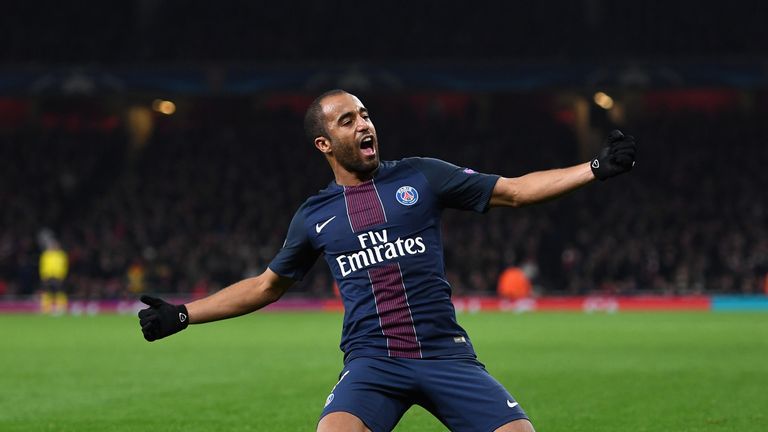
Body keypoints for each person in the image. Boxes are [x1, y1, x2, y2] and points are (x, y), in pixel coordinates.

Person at [138, 89, 636, 432]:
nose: (364, 124)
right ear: (324, 143)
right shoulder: (314, 216)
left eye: (365, 114)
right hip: (372, 362)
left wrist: (595, 168)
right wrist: (183, 313)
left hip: (445, 354)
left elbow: (514, 191)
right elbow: (266, 286)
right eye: (347, 120)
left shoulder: (422, 176)